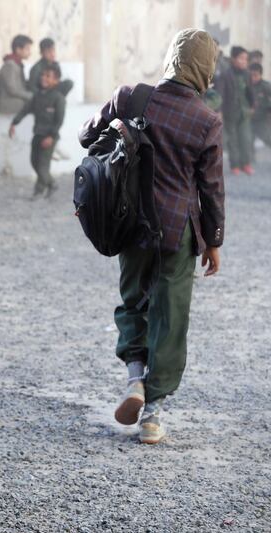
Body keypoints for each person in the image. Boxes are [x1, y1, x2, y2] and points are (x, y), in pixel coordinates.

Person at [79, 28, 225, 444]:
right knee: (170, 315)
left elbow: (87, 136)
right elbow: (211, 187)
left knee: (133, 303)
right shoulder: (206, 121)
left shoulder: (131, 96)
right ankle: (154, 414)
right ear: (205, 69)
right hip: (178, 231)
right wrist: (213, 240)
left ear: (171, 59)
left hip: (129, 224)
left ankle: (133, 382)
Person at [9, 63, 65, 198]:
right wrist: (14, 123)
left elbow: (59, 120)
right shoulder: (38, 95)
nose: (44, 78)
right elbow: (25, 109)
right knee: (34, 162)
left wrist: (51, 137)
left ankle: (38, 191)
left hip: (49, 137)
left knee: (42, 165)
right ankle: (51, 184)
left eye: (48, 76)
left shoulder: (58, 98)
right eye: (43, 75)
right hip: (38, 134)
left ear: (56, 80)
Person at [0, 34, 33, 178]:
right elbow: (12, 89)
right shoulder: (10, 65)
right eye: (27, 48)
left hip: (15, 99)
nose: (29, 52)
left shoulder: (17, 64)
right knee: (36, 104)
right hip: (8, 102)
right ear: (18, 49)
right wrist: (31, 97)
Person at [215, 46, 255, 175]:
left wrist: (253, 105)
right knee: (233, 140)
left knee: (246, 138)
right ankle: (235, 165)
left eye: (246, 59)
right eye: (241, 58)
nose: (244, 61)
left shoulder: (247, 74)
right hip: (230, 113)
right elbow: (219, 95)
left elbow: (250, 92)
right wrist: (219, 111)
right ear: (233, 59)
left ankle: (246, 164)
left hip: (244, 112)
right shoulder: (225, 75)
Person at [249, 62, 271, 150]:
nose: (253, 78)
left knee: (268, 139)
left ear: (260, 75)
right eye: (251, 75)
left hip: (261, 121)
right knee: (247, 143)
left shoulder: (266, 86)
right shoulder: (246, 86)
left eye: (256, 75)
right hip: (248, 121)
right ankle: (250, 161)